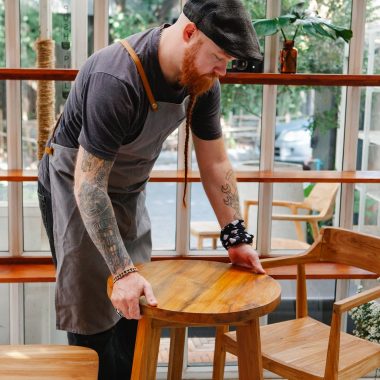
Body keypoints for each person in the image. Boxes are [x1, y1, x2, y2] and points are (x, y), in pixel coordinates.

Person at [37, 0, 264, 378]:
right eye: (221, 56)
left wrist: (235, 236)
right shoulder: (117, 77)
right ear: (190, 32)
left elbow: (216, 163)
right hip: (75, 187)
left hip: (127, 189)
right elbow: (90, 185)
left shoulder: (203, 80)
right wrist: (121, 272)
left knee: (140, 305)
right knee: (93, 307)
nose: (224, 70)